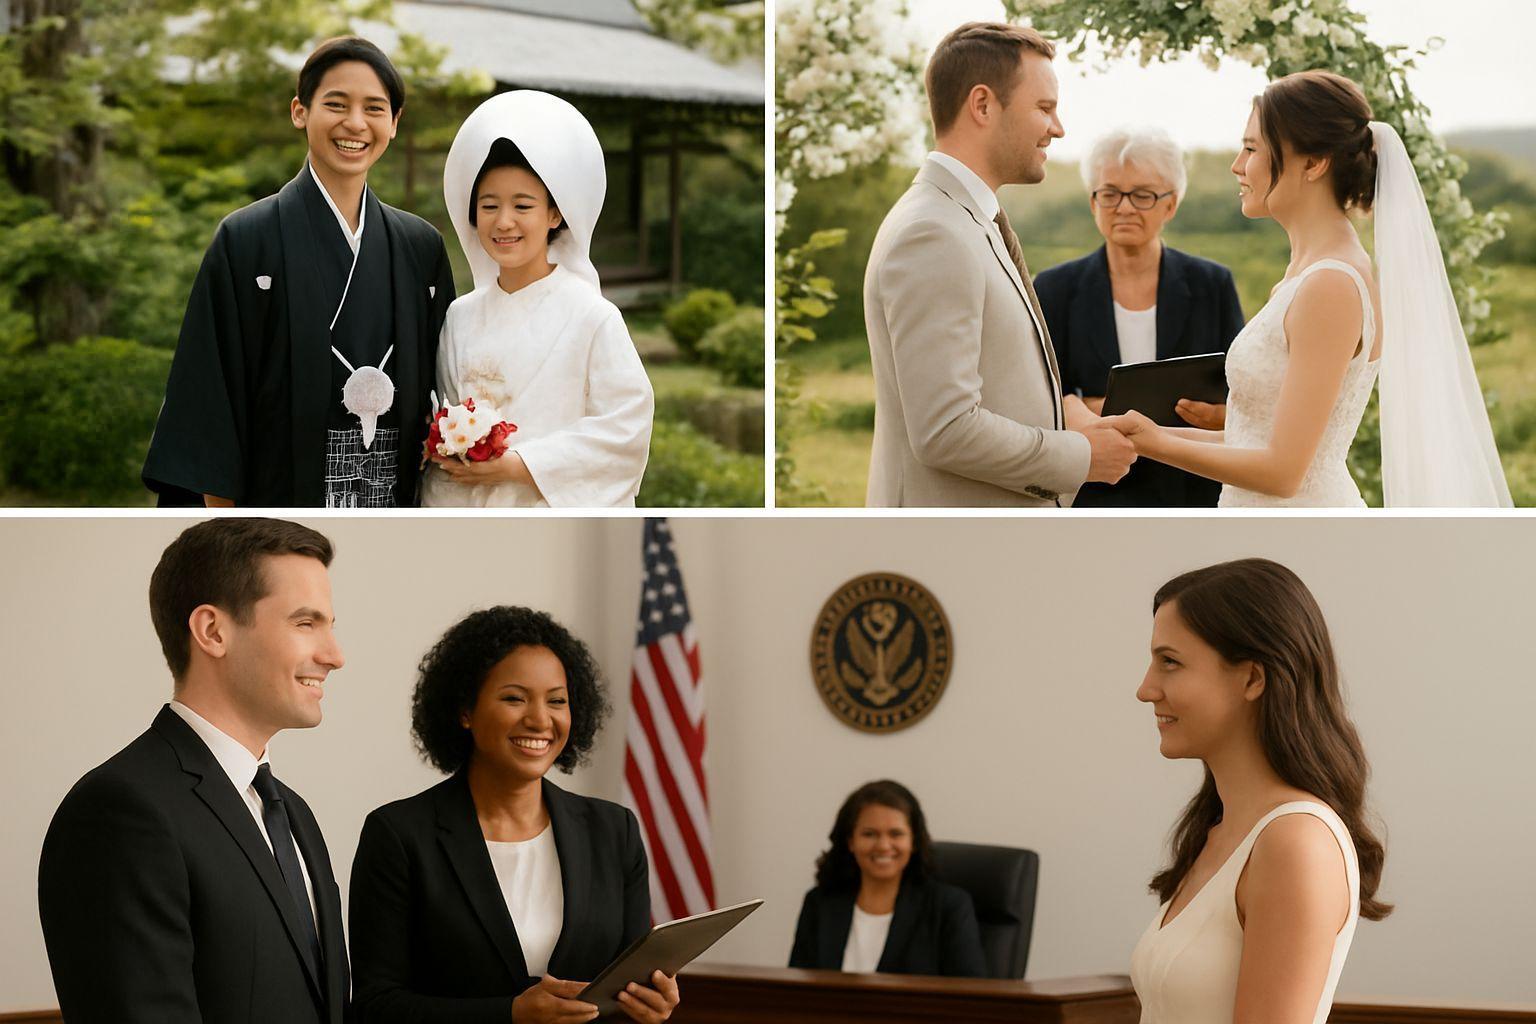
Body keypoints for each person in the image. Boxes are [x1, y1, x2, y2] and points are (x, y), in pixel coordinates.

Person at [1115, 71, 1511, 507]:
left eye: (1250, 149)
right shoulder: (1302, 277)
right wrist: (1139, 432)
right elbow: (1257, 437)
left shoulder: (1332, 286)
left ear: (1314, 162)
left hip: (1302, 533)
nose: (1236, 165)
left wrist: (1157, 444)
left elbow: (1284, 472)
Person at [38, 518, 349, 1023]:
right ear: (212, 631)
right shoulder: (120, 811)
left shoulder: (292, 812)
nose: (335, 656)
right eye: (305, 623)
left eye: (331, 625)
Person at [143, 37, 456, 508]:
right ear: (300, 111)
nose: (355, 123)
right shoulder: (247, 240)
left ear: (394, 123)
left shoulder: (420, 247)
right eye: (336, 103)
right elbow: (208, 392)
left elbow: (445, 386)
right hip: (274, 511)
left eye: (374, 108)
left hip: (395, 509)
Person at [349, 606, 679, 1023]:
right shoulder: (399, 834)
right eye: (514, 698)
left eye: (557, 701)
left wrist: (650, 1005)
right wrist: (508, 1014)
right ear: (465, 711)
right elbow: (375, 1006)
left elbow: (627, 986)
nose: (540, 720)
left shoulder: (615, 832)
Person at [862, 22, 1136, 507]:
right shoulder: (934, 233)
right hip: (954, 555)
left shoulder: (965, 221)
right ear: (983, 105)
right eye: (1044, 108)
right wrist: (1081, 456)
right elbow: (945, 429)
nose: (1058, 127)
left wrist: (1064, 414)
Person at [1130, 559, 1390, 1023]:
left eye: (1169, 662)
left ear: (1252, 678)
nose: (1146, 689)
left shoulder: (1295, 843)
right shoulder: (1219, 832)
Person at [422, 90, 654, 508]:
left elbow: (625, 428)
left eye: (522, 205)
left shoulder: (592, 316)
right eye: (489, 205)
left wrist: (520, 465)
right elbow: (442, 415)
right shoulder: (461, 315)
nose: (504, 221)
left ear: (554, 214)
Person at [1034, 126, 1244, 507]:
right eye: (1111, 193)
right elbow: (1043, 395)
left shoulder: (1212, 284)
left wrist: (1212, 416)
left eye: (1143, 195)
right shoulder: (1053, 289)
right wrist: (1081, 412)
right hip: (1092, 495)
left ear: (1171, 204)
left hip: (1192, 491)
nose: (1125, 207)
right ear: (1093, 201)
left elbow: (1239, 395)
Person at [789, 780, 985, 977]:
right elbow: (795, 992)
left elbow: (972, 996)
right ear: (851, 841)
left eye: (896, 834)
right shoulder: (820, 903)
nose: (883, 845)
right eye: (869, 834)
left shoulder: (948, 906)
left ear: (914, 841)